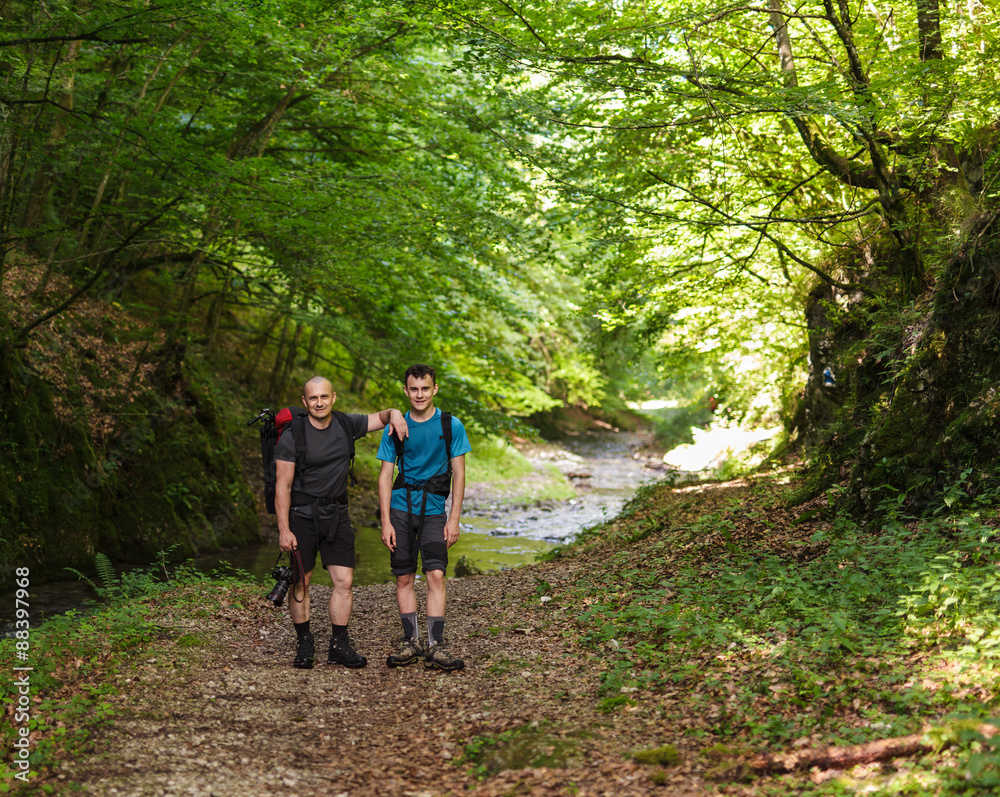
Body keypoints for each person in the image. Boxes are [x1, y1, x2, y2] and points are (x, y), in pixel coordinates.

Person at [276, 375, 408, 670]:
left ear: (333, 397)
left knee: (344, 581)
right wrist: (284, 530)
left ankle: (339, 645)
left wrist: (396, 414)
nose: (319, 403)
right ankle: (304, 642)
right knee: (301, 582)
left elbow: (382, 416)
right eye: (313, 398)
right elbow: (282, 487)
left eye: (324, 397)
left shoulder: (347, 424)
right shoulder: (292, 436)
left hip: (337, 515)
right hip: (302, 516)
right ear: (305, 402)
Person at [377, 364, 472, 672]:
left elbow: (459, 473)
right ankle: (411, 642)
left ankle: (435, 645)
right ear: (406, 391)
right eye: (413, 389)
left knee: (436, 575)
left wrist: (454, 518)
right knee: (404, 576)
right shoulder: (396, 426)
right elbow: (385, 475)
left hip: (433, 511)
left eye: (425, 388)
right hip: (401, 510)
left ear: (435, 389)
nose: (419, 394)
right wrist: (385, 521)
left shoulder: (450, 425)